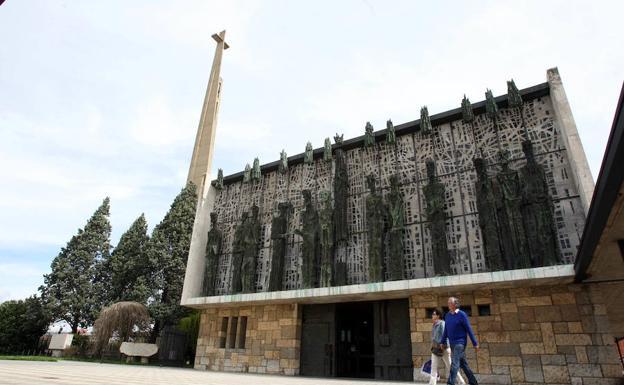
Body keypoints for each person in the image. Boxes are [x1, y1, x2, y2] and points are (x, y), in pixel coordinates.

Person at [440, 297, 479, 385]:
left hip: (460, 343)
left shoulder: (462, 315)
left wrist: (475, 343)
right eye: (448, 302)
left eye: (450, 302)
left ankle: (450, 383)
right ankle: (473, 381)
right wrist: (442, 341)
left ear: (455, 304)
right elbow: (446, 330)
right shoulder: (447, 315)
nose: (448, 304)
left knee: (454, 362)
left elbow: (469, 329)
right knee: (463, 364)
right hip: (452, 343)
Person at [430, 308, 466, 385]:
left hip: (444, 348)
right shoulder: (434, 324)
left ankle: (461, 381)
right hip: (436, 349)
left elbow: (446, 335)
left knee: (450, 366)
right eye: (432, 314)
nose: (432, 316)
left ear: (438, 316)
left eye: (434, 314)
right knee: (433, 367)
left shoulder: (442, 323)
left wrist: (443, 345)